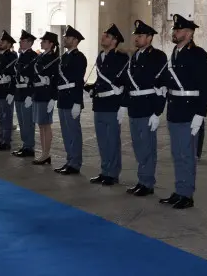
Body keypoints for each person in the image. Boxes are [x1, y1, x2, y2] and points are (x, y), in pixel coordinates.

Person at [159, 14, 207, 210]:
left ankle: (187, 194)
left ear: (189, 33)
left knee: (187, 155)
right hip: (174, 109)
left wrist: (200, 114)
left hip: (190, 111)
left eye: (179, 30)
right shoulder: (175, 52)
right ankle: (179, 189)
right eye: (175, 29)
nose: (175, 32)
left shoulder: (198, 54)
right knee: (177, 154)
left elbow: (206, 86)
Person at [122, 20, 167, 197]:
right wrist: (124, 105)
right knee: (138, 146)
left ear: (149, 38)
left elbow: (162, 86)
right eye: (136, 35)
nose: (136, 38)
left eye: (140, 36)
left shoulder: (158, 56)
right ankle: (141, 180)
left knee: (147, 146)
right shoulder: (135, 56)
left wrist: (157, 112)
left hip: (148, 107)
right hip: (135, 106)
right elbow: (129, 84)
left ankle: (147, 183)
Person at [87, 24, 129, 186]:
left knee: (112, 140)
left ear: (114, 40)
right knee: (102, 140)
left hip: (112, 104)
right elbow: (101, 80)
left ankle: (112, 173)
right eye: (103, 35)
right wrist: (93, 89)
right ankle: (105, 170)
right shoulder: (100, 57)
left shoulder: (121, 58)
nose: (102, 37)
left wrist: (123, 105)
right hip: (100, 103)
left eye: (106, 36)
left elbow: (125, 82)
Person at [54, 26, 87, 175]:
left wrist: (77, 102)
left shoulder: (79, 57)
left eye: (67, 38)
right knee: (66, 132)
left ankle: (75, 163)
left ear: (75, 40)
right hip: (62, 98)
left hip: (72, 98)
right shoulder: (65, 56)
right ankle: (69, 160)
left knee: (73, 132)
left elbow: (78, 81)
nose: (64, 39)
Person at [31, 32, 60, 165]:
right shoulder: (41, 56)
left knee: (46, 125)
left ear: (51, 44)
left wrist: (53, 97)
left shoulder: (54, 58)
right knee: (41, 125)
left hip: (46, 95)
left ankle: (46, 153)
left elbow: (56, 80)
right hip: (38, 93)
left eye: (44, 41)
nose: (41, 43)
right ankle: (43, 152)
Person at [12, 30, 38, 158]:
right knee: (22, 121)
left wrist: (30, 94)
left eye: (22, 41)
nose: (20, 42)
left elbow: (34, 76)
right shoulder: (21, 56)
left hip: (27, 92)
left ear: (29, 42)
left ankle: (29, 146)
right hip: (19, 92)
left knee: (28, 121)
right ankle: (25, 145)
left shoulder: (33, 56)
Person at [0, 30, 17, 151]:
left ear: (10, 44)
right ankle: (1, 139)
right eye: (1, 41)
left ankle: (6, 141)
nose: (0, 43)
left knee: (7, 117)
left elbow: (14, 76)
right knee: (1, 117)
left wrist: (11, 92)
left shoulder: (12, 56)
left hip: (6, 91)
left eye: (3, 41)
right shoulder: (0, 55)